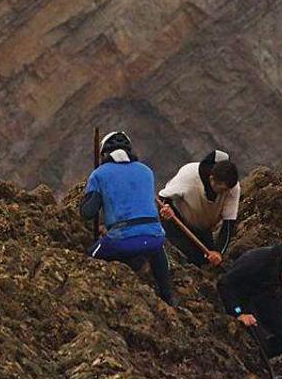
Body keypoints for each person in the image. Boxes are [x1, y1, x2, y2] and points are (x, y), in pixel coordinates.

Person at [79, 131, 175, 305]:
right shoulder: (147, 171)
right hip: (154, 239)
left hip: (121, 241)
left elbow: (87, 213)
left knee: (87, 259)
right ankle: (168, 296)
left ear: (104, 154)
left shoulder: (99, 174)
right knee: (155, 247)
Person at [217, 245, 282, 358]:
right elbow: (224, 285)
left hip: (265, 293)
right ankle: (259, 358)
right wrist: (238, 313)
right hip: (241, 295)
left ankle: (268, 355)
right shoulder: (255, 263)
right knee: (260, 345)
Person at [158, 150, 240, 267]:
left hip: (203, 228)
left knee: (206, 261)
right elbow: (164, 197)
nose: (226, 193)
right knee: (187, 258)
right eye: (222, 190)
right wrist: (166, 209)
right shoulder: (189, 176)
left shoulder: (233, 188)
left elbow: (228, 223)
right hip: (178, 222)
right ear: (212, 180)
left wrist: (218, 253)